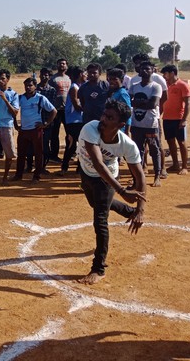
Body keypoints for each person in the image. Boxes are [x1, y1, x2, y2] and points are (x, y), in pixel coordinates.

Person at [76, 99, 146, 285]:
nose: (103, 119)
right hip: (87, 172)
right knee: (95, 203)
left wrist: (141, 209)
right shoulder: (90, 128)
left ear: (121, 124)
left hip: (107, 180)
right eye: (104, 114)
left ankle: (98, 269)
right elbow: (98, 164)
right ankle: (128, 211)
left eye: (109, 117)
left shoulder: (128, 145)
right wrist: (122, 191)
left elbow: (140, 177)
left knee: (100, 219)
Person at [13, 77, 56, 183]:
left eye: (30, 85)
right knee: (21, 153)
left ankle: (37, 176)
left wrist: (45, 124)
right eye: (26, 86)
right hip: (23, 130)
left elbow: (53, 111)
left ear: (35, 86)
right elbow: (14, 111)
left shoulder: (40, 98)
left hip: (36, 130)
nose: (28, 87)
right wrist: (15, 124)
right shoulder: (20, 98)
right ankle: (18, 175)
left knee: (38, 153)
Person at [129, 61, 163, 187]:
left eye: (147, 69)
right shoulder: (134, 86)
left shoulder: (156, 86)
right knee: (138, 151)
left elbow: (153, 104)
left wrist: (137, 103)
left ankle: (157, 176)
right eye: (142, 69)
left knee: (154, 150)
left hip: (151, 124)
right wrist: (145, 102)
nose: (144, 71)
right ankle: (138, 178)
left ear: (152, 70)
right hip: (136, 124)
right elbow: (129, 102)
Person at [161, 65, 190, 175]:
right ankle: (175, 164)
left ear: (172, 73)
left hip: (178, 118)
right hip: (166, 118)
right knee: (170, 141)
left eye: (165, 73)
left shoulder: (182, 85)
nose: (164, 76)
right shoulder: (164, 85)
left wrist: (184, 119)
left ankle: (185, 166)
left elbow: (188, 103)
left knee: (181, 142)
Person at [28, 68, 57, 173]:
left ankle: (42, 167)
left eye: (46, 75)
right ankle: (29, 166)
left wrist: (46, 123)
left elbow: (52, 107)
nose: (44, 76)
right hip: (34, 122)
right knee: (31, 145)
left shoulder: (52, 90)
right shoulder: (34, 88)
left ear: (49, 77)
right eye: (42, 74)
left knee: (44, 146)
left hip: (46, 122)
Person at [59, 66, 86, 175]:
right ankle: (64, 167)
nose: (86, 76)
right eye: (85, 73)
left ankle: (80, 167)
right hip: (74, 121)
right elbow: (76, 105)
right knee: (71, 144)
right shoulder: (74, 88)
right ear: (80, 75)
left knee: (82, 144)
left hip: (80, 120)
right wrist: (89, 109)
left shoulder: (80, 86)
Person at [0, 69, 19, 185]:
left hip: (7, 125)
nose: (0, 81)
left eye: (3, 79)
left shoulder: (13, 94)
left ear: (8, 79)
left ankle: (5, 177)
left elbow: (15, 112)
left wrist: (5, 99)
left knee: (9, 153)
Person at [48, 58, 71, 162]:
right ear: (57, 66)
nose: (62, 65)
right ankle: (54, 155)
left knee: (69, 133)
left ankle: (69, 154)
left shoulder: (69, 78)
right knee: (54, 133)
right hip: (56, 110)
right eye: (60, 64)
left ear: (66, 65)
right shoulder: (53, 79)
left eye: (63, 64)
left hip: (67, 110)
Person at [108, 67, 131, 135]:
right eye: (110, 79)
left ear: (122, 79)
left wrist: (127, 131)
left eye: (115, 79)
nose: (111, 81)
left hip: (121, 129)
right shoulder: (113, 92)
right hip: (112, 127)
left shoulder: (122, 94)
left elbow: (128, 113)